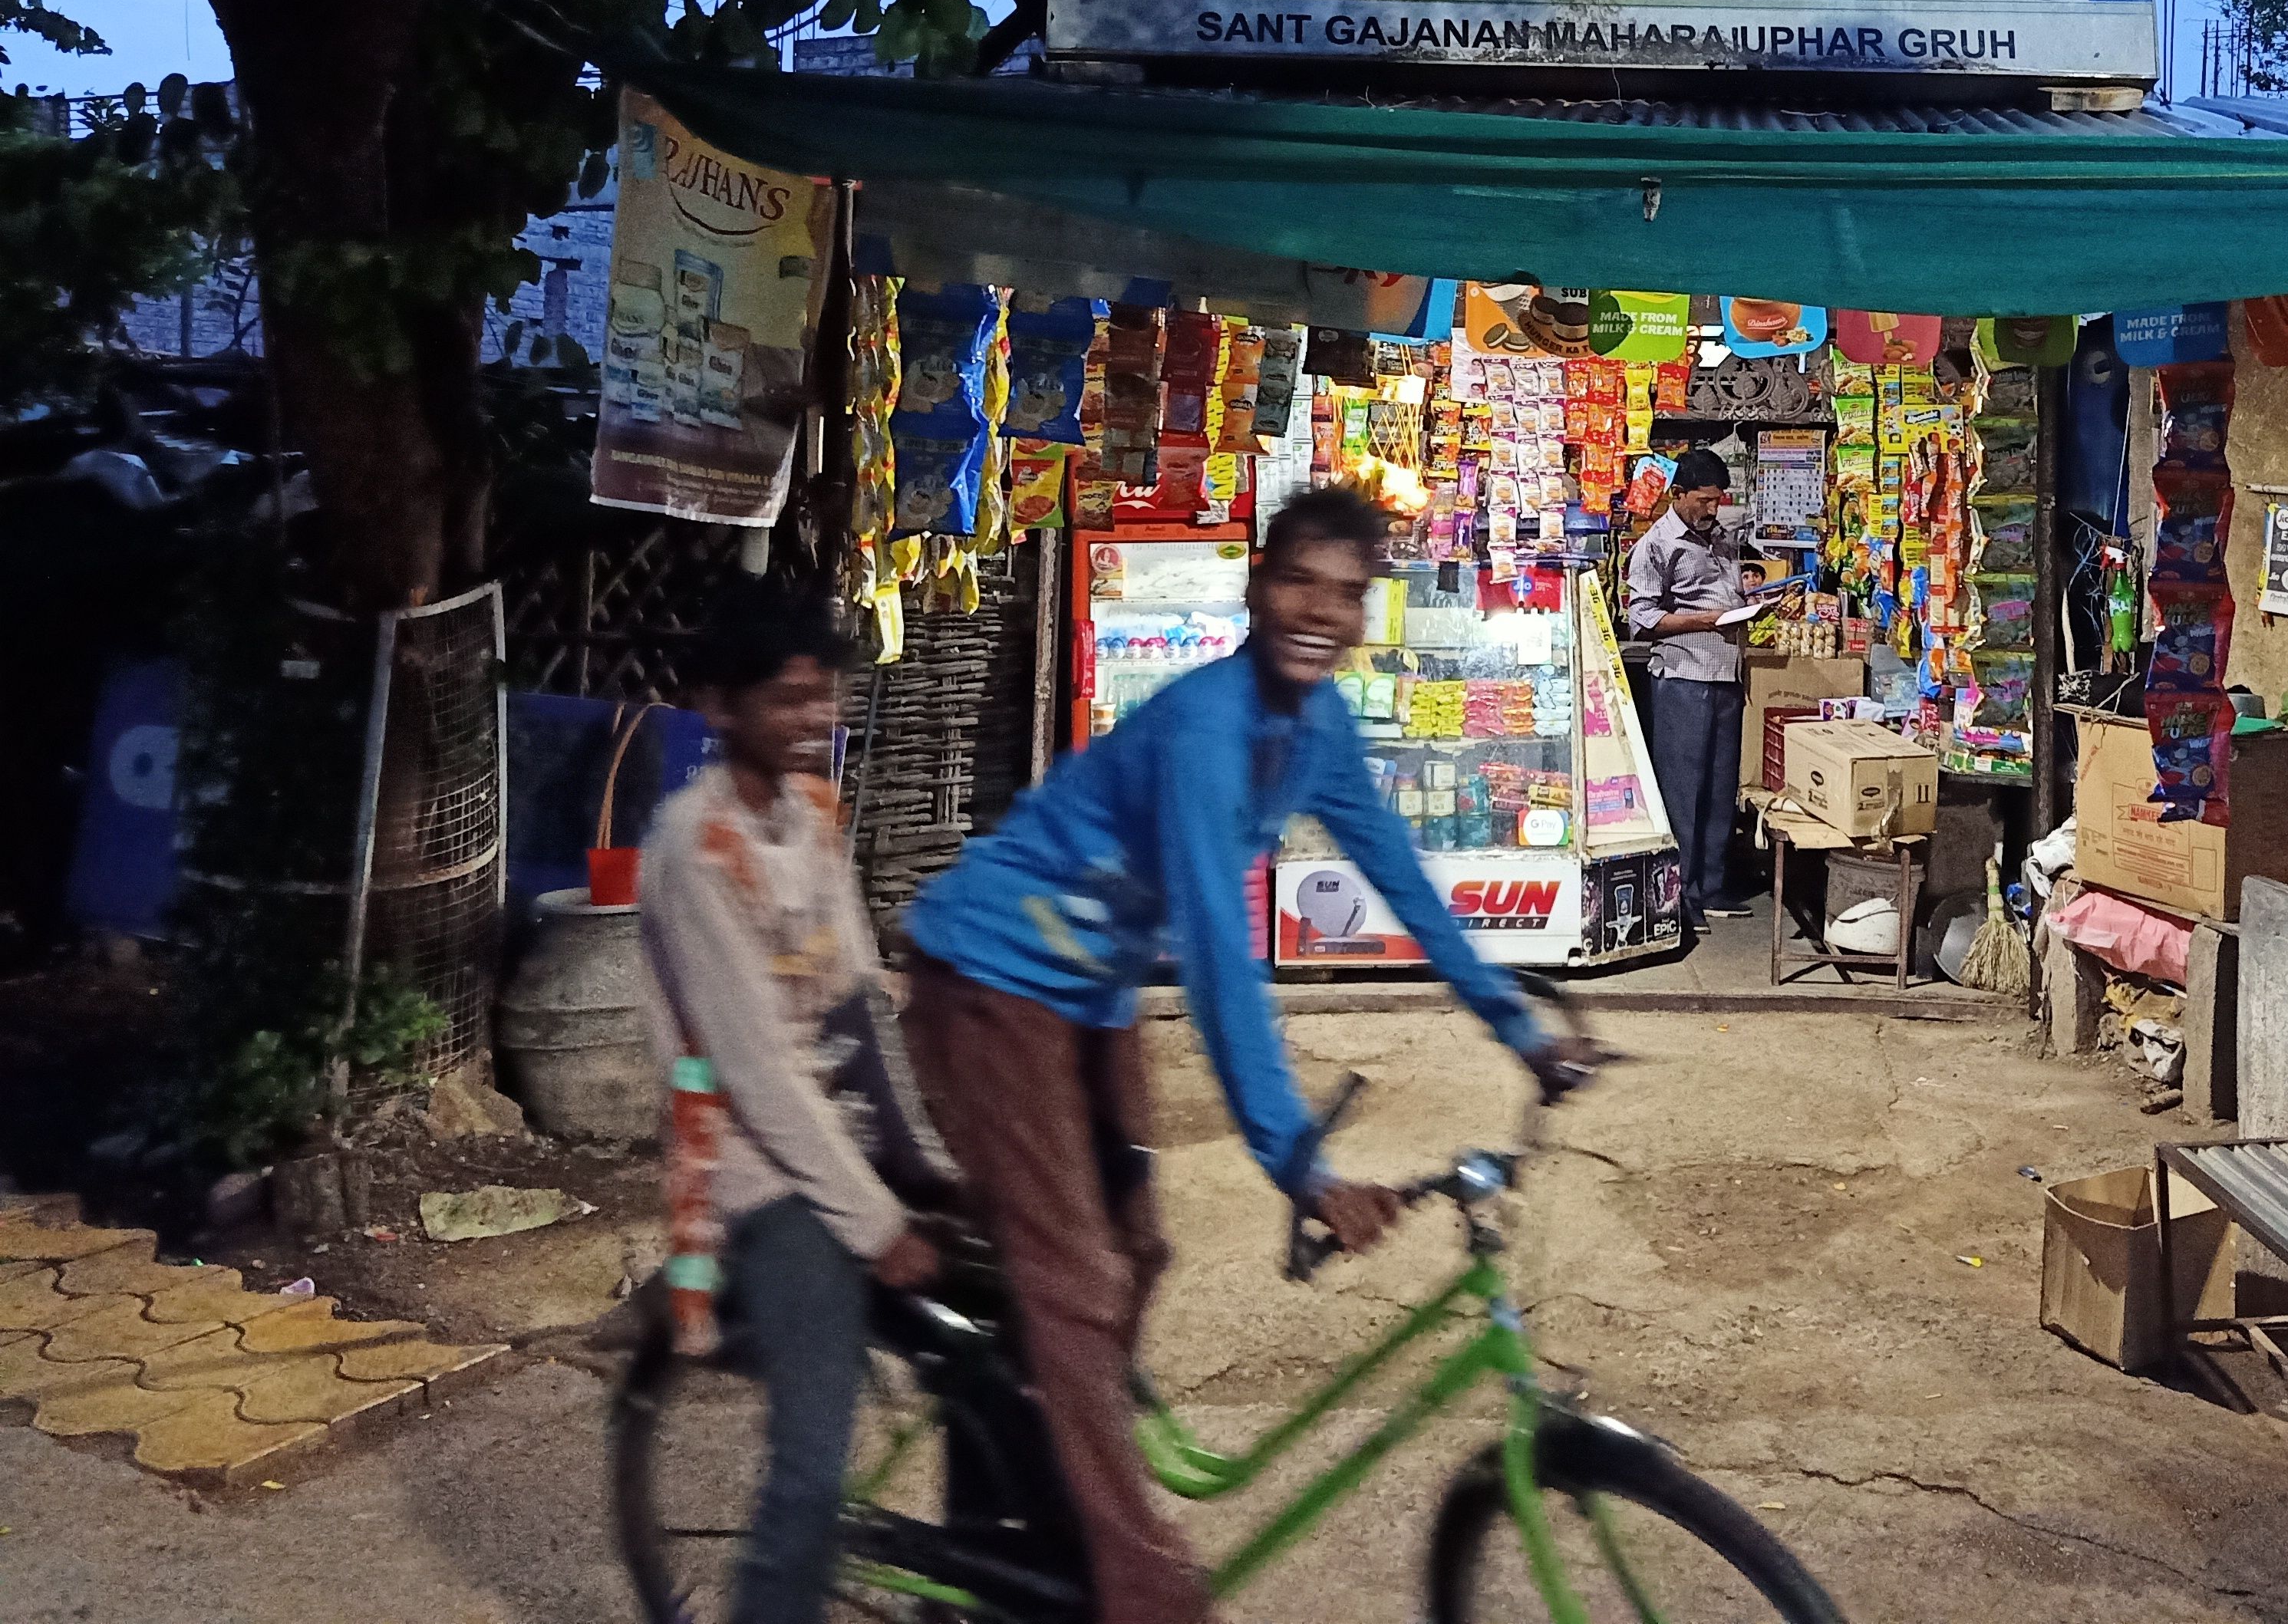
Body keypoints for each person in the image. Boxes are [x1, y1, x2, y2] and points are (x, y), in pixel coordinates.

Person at [899, 485, 1591, 1624]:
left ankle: (1031, 1475)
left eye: (1349, 592)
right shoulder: (1211, 726)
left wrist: (1518, 1026)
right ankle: (1133, 1583)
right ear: (1255, 587)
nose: (1322, 610)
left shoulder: (1313, 728)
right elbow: (1224, 957)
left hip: (1091, 990)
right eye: (1299, 581)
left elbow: (1402, 876)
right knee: (1076, 1281)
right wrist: (1296, 1161)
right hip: (993, 978)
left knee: (1136, 1248)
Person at [636, 579, 954, 1624]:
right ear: (720, 708)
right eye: (786, 699)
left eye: (823, 697)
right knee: (815, 1463)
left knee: (1013, 1342)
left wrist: (925, 1160)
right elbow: (754, 1071)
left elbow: (859, 991)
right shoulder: (693, 847)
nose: (814, 720)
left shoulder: (814, 811)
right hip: (756, 1167)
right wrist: (874, 1221)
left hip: (840, 1138)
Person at [1626, 450, 1759, 928]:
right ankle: (1679, 895)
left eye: (1718, 501)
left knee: (1721, 788)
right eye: (1703, 501)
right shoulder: (1657, 545)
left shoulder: (1721, 538)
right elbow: (1641, 616)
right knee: (1683, 791)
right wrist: (1704, 621)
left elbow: (1730, 596)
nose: (1711, 510)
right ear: (1677, 495)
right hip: (1684, 677)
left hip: (1726, 675)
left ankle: (1711, 885)